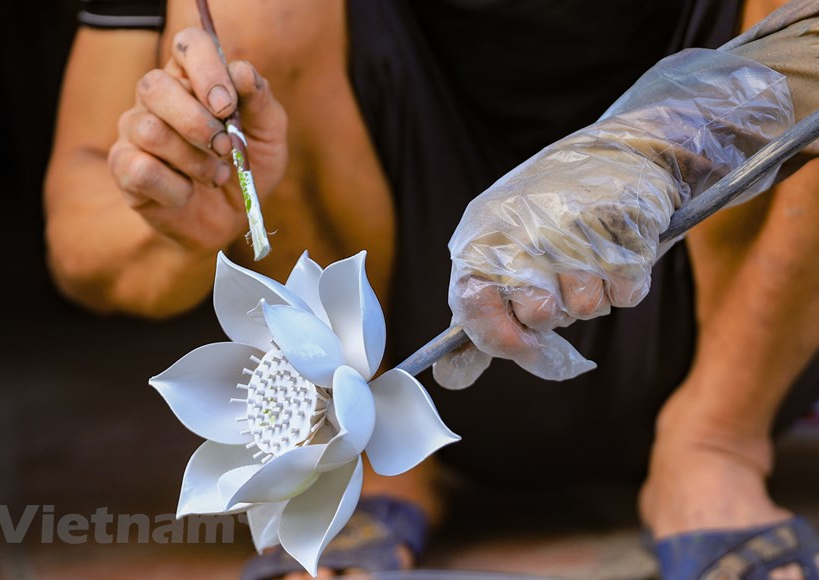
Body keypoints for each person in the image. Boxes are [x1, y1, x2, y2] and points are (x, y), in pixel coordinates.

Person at [45, 0, 819, 578]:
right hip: (409, 330)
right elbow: (83, 236)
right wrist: (189, 214)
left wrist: (663, 147)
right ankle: (382, 459)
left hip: (727, 278)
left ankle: (715, 440)